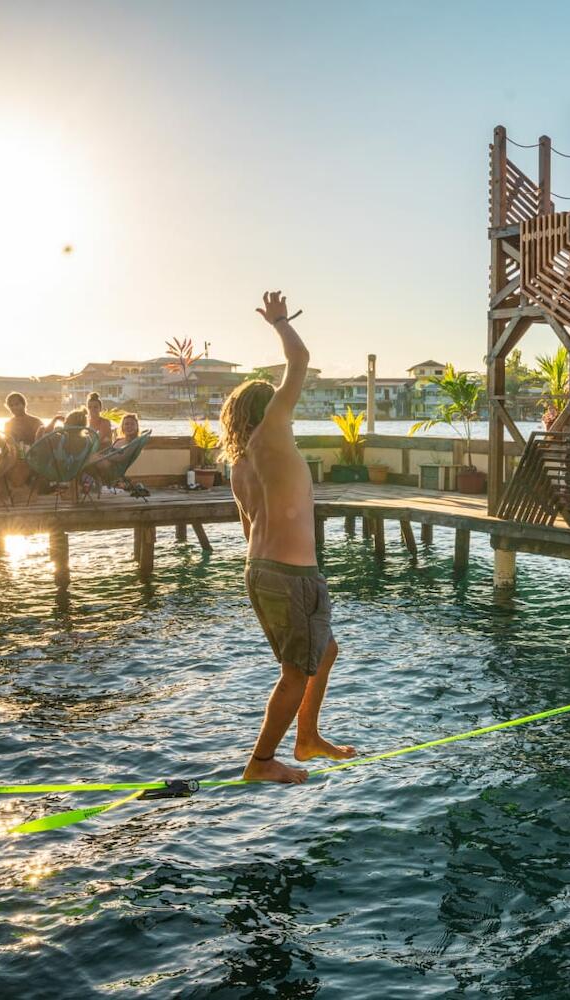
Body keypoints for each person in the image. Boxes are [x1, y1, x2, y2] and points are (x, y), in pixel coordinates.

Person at [225, 292, 353, 784]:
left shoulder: (241, 464)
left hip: (269, 572)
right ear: (268, 409)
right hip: (289, 575)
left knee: (324, 653)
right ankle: (260, 762)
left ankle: (308, 737)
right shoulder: (272, 435)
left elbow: (249, 528)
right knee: (296, 672)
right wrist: (280, 322)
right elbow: (298, 362)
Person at [4, 392, 45, 490]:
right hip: (16, 453)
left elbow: (42, 440)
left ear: (24, 404)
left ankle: (24, 486)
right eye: (11, 405)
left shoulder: (35, 421)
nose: (14, 408)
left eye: (17, 404)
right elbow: (7, 441)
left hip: (34, 452)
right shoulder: (8, 423)